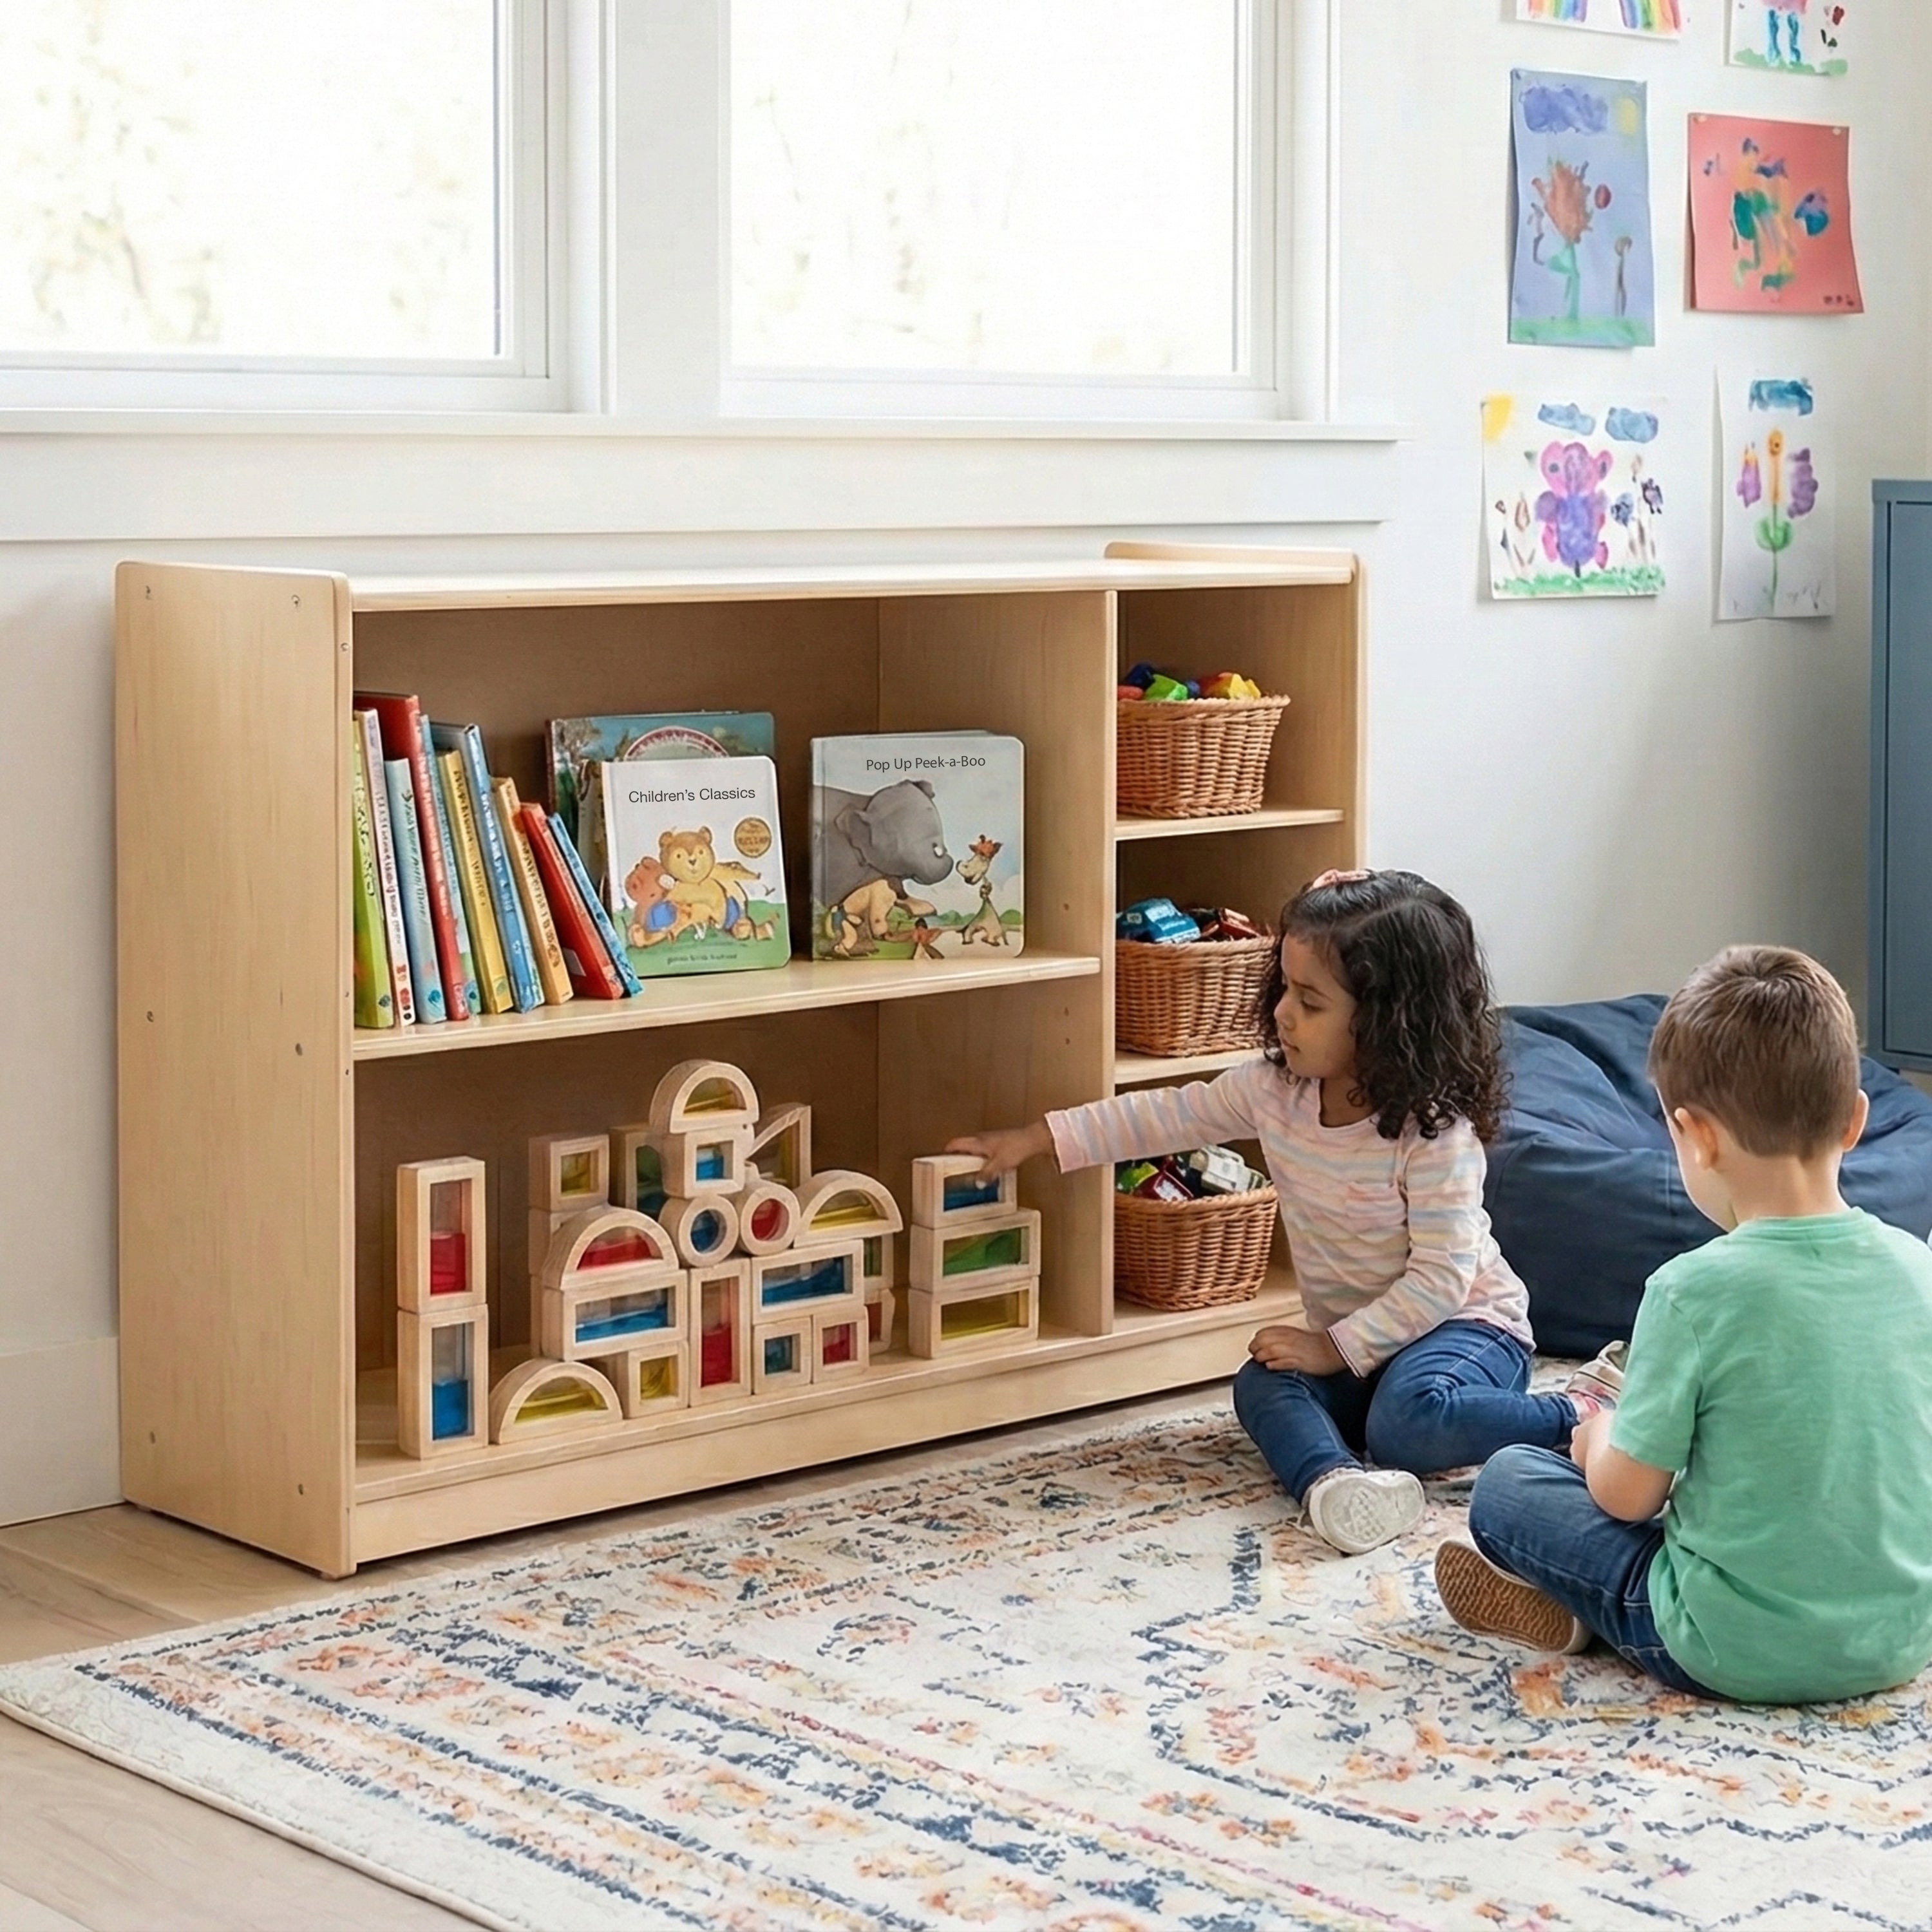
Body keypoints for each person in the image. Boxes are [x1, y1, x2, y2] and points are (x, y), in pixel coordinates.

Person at [951, 869, 1611, 1555]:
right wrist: (1036, 1139)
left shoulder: (1434, 1133)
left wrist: (1332, 1348)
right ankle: (1333, 1488)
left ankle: (1578, 1414)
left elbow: (1441, 1282)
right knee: (1261, 1386)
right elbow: (1161, 1117)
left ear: (1390, 1020)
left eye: (1311, 1001)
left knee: (1409, 1424)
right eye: (1286, 990)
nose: (1282, 1015)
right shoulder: (1274, 1091)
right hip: (1361, 1349)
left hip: (1465, 1330)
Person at [1435, 945, 1932, 1703]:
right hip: (1902, 1637)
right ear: (1857, 1120)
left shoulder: (1689, 1290)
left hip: (1731, 1645)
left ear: (1696, 1136)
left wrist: (1597, 1434)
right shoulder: (1916, 1268)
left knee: (1510, 1484)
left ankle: (1586, 1614)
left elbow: (1629, 1498)